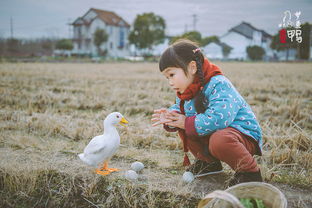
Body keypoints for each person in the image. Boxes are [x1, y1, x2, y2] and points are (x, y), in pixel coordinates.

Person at [151, 39, 263, 186]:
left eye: (172, 75)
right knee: (188, 127)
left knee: (216, 138)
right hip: (219, 132)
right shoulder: (188, 89)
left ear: (192, 67)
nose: (170, 82)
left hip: (242, 134)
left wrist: (185, 121)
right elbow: (182, 109)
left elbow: (219, 118)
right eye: (167, 78)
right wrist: (171, 116)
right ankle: (209, 163)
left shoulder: (219, 83)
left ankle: (250, 173)